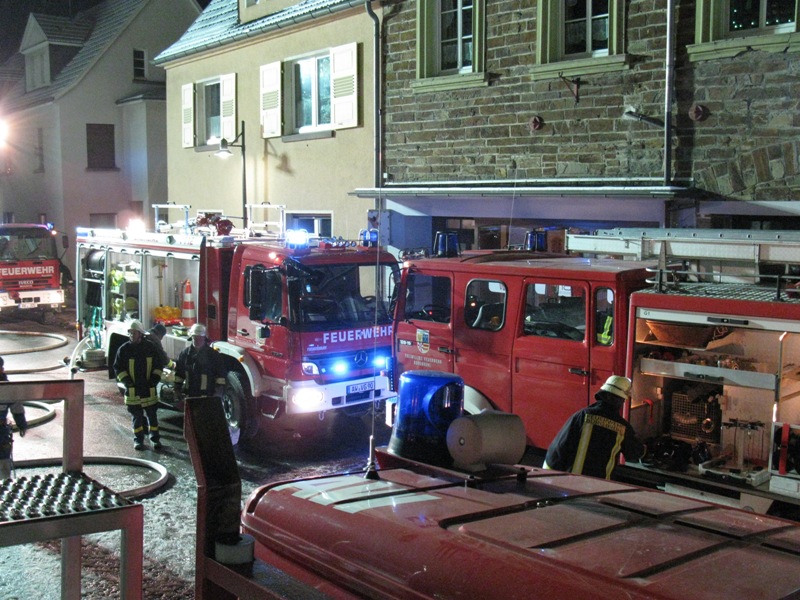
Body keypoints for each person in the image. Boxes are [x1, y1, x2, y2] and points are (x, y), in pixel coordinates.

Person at [544, 375, 646, 480]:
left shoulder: (582, 416)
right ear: (621, 400)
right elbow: (635, 453)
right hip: (601, 485)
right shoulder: (623, 427)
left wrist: (546, 478)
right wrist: (644, 448)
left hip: (574, 483)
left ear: (602, 393)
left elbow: (558, 448)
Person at [114, 320, 166, 451]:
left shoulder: (150, 348)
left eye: (134, 332)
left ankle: (155, 439)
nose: (132, 335)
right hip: (133, 390)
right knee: (136, 418)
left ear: (140, 334)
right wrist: (127, 382)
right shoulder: (124, 350)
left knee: (152, 416)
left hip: (148, 388)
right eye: (130, 332)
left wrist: (154, 380)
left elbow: (158, 365)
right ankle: (138, 440)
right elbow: (118, 368)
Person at [173, 323, 225, 400]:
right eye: (195, 338)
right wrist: (177, 389)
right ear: (191, 337)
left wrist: (218, 392)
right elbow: (179, 374)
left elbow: (220, 376)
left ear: (204, 338)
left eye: (200, 338)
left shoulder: (213, 355)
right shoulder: (185, 354)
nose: (197, 340)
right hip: (189, 395)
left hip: (207, 397)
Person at [0, 356, 27, 478]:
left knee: (3, 460)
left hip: (1, 431)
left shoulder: (8, 388)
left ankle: (4, 484)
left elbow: (17, 407)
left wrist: (21, 423)